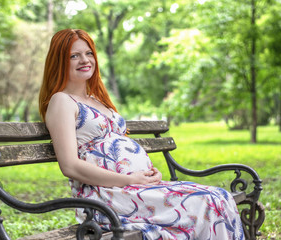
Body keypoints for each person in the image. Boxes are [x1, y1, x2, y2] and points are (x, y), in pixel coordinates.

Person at [39, 29, 244, 240]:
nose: (85, 59)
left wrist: (147, 173)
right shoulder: (61, 101)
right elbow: (70, 166)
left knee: (220, 197)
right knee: (206, 202)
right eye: (74, 55)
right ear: (60, 60)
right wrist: (128, 179)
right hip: (105, 196)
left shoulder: (96, 100)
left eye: (88, 53)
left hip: (134, 187)